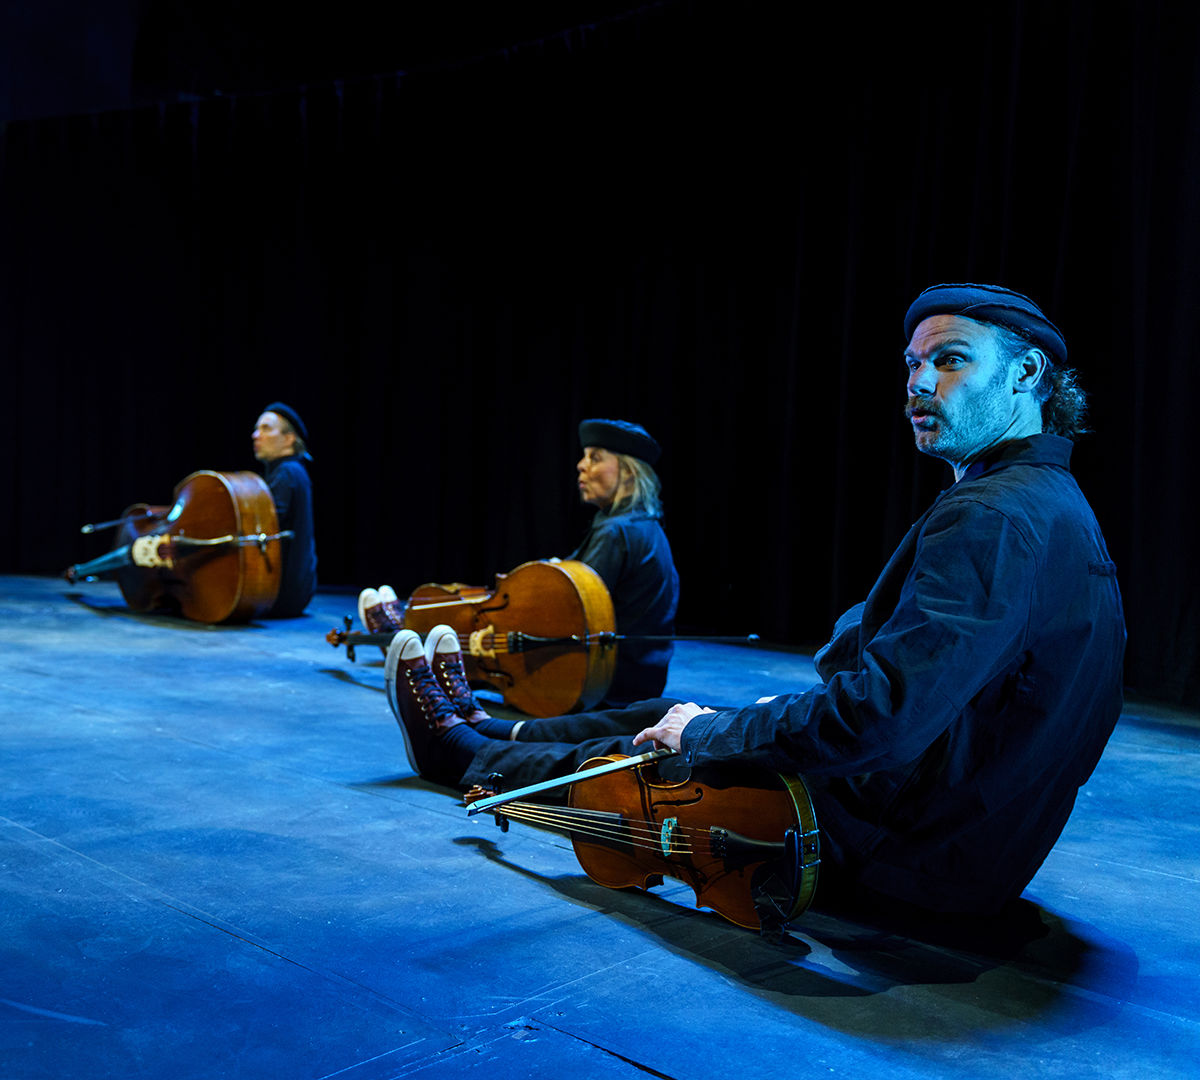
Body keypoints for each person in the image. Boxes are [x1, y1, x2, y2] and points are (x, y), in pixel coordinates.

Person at [382, 283, 1126, 925]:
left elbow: (882, 720)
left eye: (951, 359)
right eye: (912, 363)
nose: (918, 381)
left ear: (1029, 373)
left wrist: (715, 737)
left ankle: (461, 750)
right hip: (961, 847)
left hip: (905, 856)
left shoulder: (994, 516)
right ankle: (489, 726)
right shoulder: (1049, 502)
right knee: (678, 716)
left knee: (661, 749)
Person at [361, 418, 680, 708]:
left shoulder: (616, 530)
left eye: (595, 457)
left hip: (605, 685)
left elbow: (571, 611)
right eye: (584, 456)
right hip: (639, 681)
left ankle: (408, 640)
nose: (581, 466)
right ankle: (407, 633)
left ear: (628, 471)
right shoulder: (643, 525)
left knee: (520, 622)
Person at [252, 402, 317, 617]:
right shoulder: (293, 470)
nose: (255, 435)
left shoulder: (286, 473)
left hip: (280, 595)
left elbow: (265, 529)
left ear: (289, 438)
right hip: (298, 593)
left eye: (266, 428)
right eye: (256, 429)